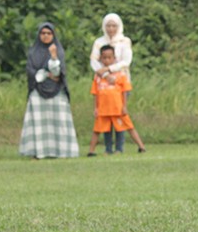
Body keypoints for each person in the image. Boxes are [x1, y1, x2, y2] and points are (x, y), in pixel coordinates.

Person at [19, 22, 79, 159]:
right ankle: (38, 152)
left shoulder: (58, 50)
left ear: (53, 35)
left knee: (59, 121)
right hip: (38, 89)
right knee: (38, 122)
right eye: (43, 33)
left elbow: (58, 72)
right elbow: (30, 70)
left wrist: (53, 57)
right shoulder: (33, 51)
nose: (46, 36)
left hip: (56, 91)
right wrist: (45, 74)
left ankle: (60, 151)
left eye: (49, 33)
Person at [90, 13, 145, 152]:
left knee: (120, 114)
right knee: (106, 116)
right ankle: (108, 147)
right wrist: (106, 75)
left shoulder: (124, 41)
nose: (111, 28)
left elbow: (126, 61)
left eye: (114, 25)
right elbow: (94, 61)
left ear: (119, 26)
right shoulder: (99, 42)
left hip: (120, 82)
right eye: (108, 25)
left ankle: (120, 147)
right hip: (103, 84)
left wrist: (110, 69)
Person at [87, 45, 135, 156]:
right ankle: (108, 149)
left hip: (117, 107)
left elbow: (125, 91)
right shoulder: (98, 76)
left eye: (110, 58)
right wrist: (96, 108)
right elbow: (95, 93)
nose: (107, 60)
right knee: (106, 130)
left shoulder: (120, 74)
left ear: (114, 58)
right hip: (104, 108)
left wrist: (124, 106)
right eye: (104, 58)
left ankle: (119, 148)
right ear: (100, 59)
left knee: (120, 128)